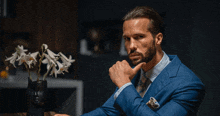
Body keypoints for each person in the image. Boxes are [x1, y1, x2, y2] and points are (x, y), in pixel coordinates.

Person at [55, 6, 205, 116]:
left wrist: (124, 84)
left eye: (139, 37)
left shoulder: (188, 84)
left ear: (158, 38)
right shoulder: (136, 71)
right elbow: (109, 111)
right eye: (127, 39)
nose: (131, 46)